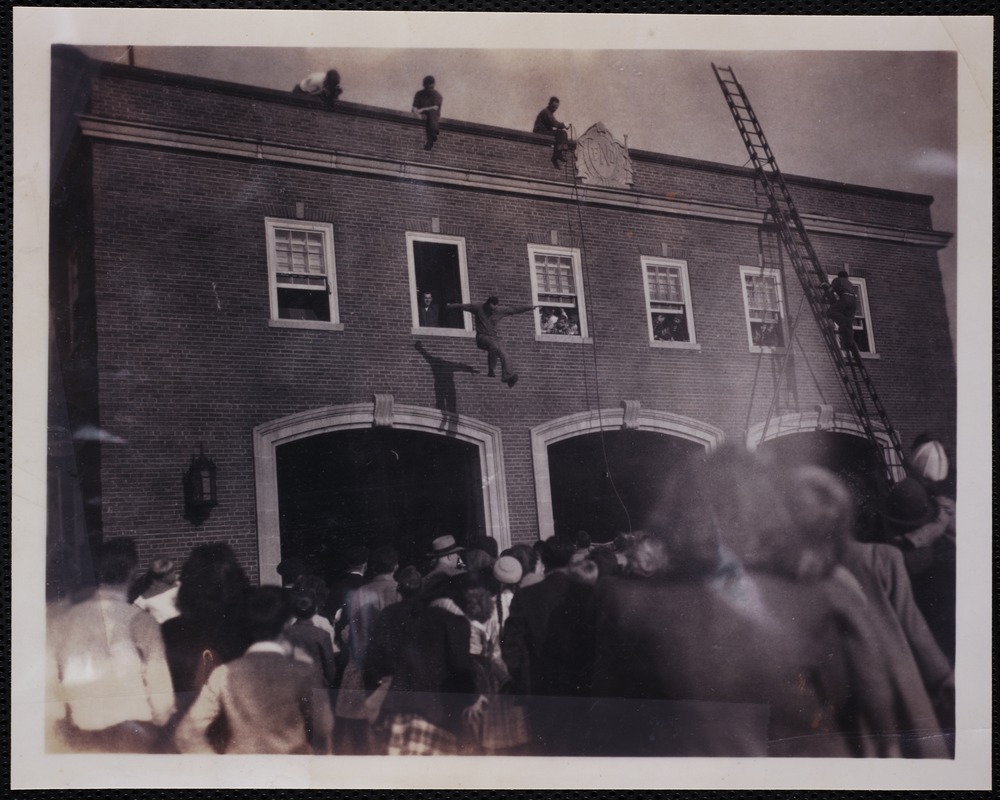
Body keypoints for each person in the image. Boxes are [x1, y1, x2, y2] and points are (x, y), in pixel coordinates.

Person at [48, 538, 176, 753]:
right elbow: (161, 693)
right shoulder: (141, 621)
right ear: (133, 572)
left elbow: (52, 685)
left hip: (81, 733)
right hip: (134, 735)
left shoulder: (65, 620)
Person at [175, 586, 334, 755]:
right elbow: (323, 728)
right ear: (286, 624)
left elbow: (186, 733)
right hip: (290, 769)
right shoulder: (303, 672)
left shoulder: (223, 673)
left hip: (241, 770)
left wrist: (217, 765)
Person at [334, 545, 401, 754]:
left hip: (361, 668)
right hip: (393, 671)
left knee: (360, 737)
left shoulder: (360, 593)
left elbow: (349, 633)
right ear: (396, 567)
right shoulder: (400, 591)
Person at [445, 296, 540, 387]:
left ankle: (508, 377)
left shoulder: (498, 311)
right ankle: (491, 370)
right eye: (490, 309)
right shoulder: (478, 307)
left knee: (506, 355)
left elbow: (514, 309)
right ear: (487, 304)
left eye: (494, 309)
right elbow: (462, 306)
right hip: (482, 338)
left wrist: (530, 307)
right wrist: (449, 306)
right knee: (493, 346)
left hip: (494, 338)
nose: (492, 311)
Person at [131, 557, 181, 624]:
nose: (175, 574)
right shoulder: (144, 599)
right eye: (172, 571)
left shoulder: (179, 585)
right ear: (164, 576)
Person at [822, 270, 859, 353]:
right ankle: (849, 343)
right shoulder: (850, 283)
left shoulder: (837, 280)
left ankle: (843, 321)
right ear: (846, 276)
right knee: (849, 324)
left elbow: (830, 290)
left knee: (830, 312)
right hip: (854, 302)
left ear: (839, 276)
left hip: (845, 298)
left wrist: (824, 297)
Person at [533, 96, 571, 168]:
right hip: (540, 132)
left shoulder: (549, 112)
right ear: (549, 104)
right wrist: (564, 125)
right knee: (562, 133)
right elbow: (553, 123)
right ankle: (557, 154)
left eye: (556, 108)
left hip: (544, 131)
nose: (554, 109)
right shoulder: (546, 112)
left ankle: (558, 153)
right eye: (553, 107)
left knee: (561, 133)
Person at [412, 75, 443, 150]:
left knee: (432, 112)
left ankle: (432, 135)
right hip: (421, 114)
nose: (428, 87)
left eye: (430, 85)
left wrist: (422, 109)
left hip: (432, 115)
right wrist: (415, 110)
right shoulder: (419, 94)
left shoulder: (437, 95)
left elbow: (435, 107)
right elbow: (415, 106)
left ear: (433, 85)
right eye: (427, 84)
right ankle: (432, 134)